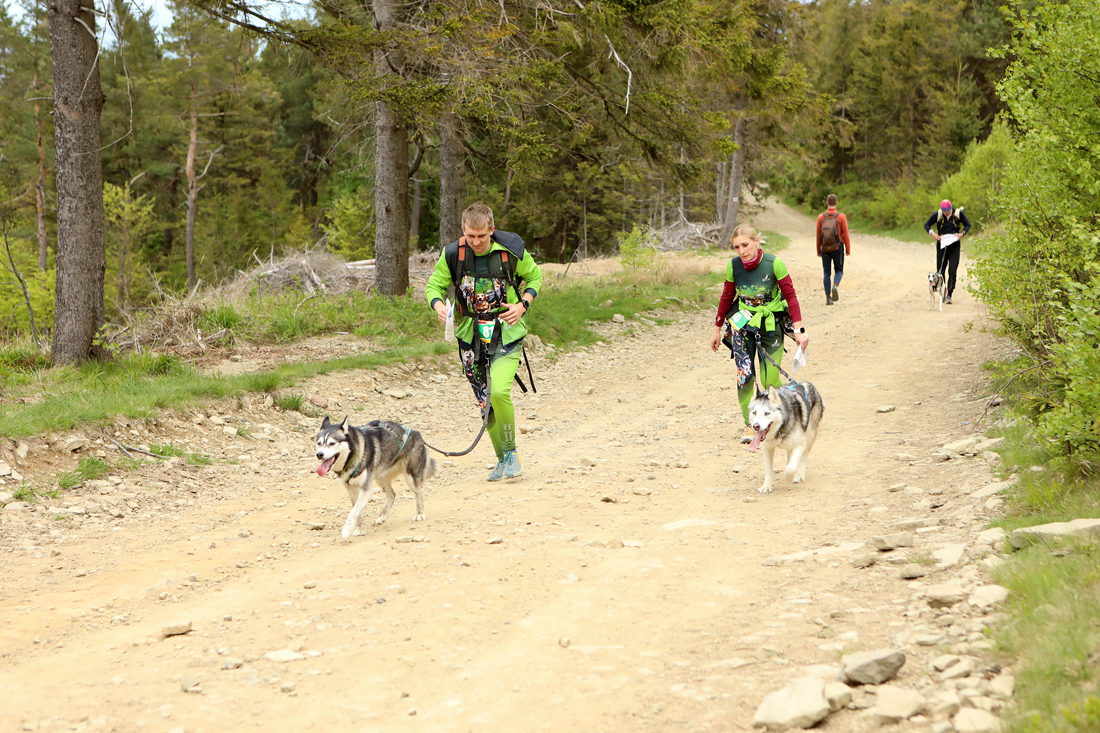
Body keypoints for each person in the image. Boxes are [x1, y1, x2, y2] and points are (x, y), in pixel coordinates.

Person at [425, 202, 543, 481]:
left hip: (506, 332)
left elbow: (535, 277)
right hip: (470, 336)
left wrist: (523, 305)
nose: (476, 242)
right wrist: (439, 306)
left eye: (482, 235)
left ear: (492, 230)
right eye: (470, 235)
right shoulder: (453, 254)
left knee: (498, 392)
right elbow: (434, 286)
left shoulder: (510, 251)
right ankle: (502, 459)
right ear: (463, 230)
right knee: (485, 402)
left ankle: (512, 454)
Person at [709, 224, 810, 444]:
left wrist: (799, 331)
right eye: (737, 247)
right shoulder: (733, 266)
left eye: (745, 244)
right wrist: (717, 329)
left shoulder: (774, 264)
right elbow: (726, 297)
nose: (742, 251)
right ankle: (751, 424)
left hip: (770, 322)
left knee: (769, 378)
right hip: (743, 324)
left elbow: (790, 296)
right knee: (744, 376)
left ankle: (782, 416)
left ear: (757, 241)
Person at [923, 199, 970, 305]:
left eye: (947, 211)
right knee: (940, 270)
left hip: (954, 244)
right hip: (942, 244)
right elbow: (927, 225)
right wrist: (933, 233)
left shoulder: (958, 214)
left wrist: (962, 234)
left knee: (952, 271)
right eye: (944, 211)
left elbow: (967, 225)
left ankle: (949, 294)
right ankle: (943, 291)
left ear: (951, 208)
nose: (945, 213)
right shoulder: (938, 214)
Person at [815, 194, 851, 306]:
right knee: (839, 270)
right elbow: (846, 235)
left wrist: (818, 250)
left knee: (826, 272)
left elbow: (818, 236)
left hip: (825, 248)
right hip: (837, 247)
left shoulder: (821, 217)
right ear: (837, 203)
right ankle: (835, 285)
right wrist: (848, 249)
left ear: (827, 203)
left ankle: (827, 298)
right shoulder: (841, 217)